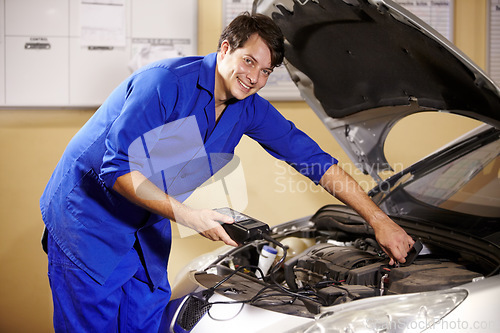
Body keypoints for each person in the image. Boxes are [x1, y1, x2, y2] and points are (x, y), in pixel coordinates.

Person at [39, 12, 414, 332]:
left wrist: (379, 221)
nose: (254, 78)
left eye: (265, 71)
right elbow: (116, 167)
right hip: (86, 220)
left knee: (145, 319)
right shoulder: (165, 84)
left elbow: (315, 160)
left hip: (145, 221)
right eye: (249, 61)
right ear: (225, 49)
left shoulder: (248, 108)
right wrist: (191, 216)